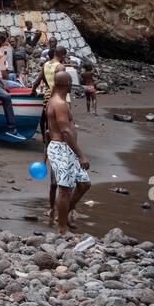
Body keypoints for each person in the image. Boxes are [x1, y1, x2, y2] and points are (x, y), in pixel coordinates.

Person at [44, 72, 89, 234]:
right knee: (64, 189)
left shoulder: (54, 99)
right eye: (71, 82)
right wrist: (81, 154)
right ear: (68, 83)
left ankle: (63, 214)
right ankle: (62, 228)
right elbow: (65, 131)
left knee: (84, 184)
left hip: (67, 148)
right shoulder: (60, 103)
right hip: (61, 148)